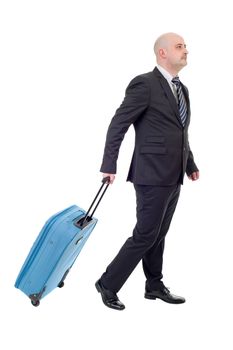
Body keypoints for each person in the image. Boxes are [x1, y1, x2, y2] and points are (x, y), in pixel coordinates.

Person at [95, 32, 199, 310]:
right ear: (162, 53)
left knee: (158, 233)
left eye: (185, 46)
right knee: (145, 234)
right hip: (150, 174)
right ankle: (107, 283)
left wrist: (189, 163)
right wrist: (109, 164)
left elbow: (180, 131)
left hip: (174, 175)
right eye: (180, 46)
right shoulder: (144, 84)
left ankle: (154, 285)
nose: (186, 50)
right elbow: (118, 124)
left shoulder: (182, 89)